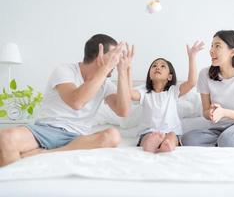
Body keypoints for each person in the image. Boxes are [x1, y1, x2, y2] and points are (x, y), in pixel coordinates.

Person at [0, 34, 134, 167]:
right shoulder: (65, 70)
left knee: (113, 136)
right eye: (114, 55)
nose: (117, 60)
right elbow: (76, 102)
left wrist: (123, 72)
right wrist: (105, 68)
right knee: (5, 138)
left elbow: (124, 111)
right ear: (100, 56)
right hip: (46, 130)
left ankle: (45, 154)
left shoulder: (106, 84)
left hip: (78, 138)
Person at [129, 41, 205, 153]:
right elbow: (129, 93)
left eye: (162, 66)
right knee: (148, 137)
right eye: (154, 66)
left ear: (169, 77)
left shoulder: (172, 91)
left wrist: (192, 57)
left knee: (172, 137)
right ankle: (150, 144)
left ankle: (167, 144)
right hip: (149, 131)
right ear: (149, 75)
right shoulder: (144, 93)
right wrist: (128, 67)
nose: (157, 67)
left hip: (170, 131)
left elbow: (192, 82)